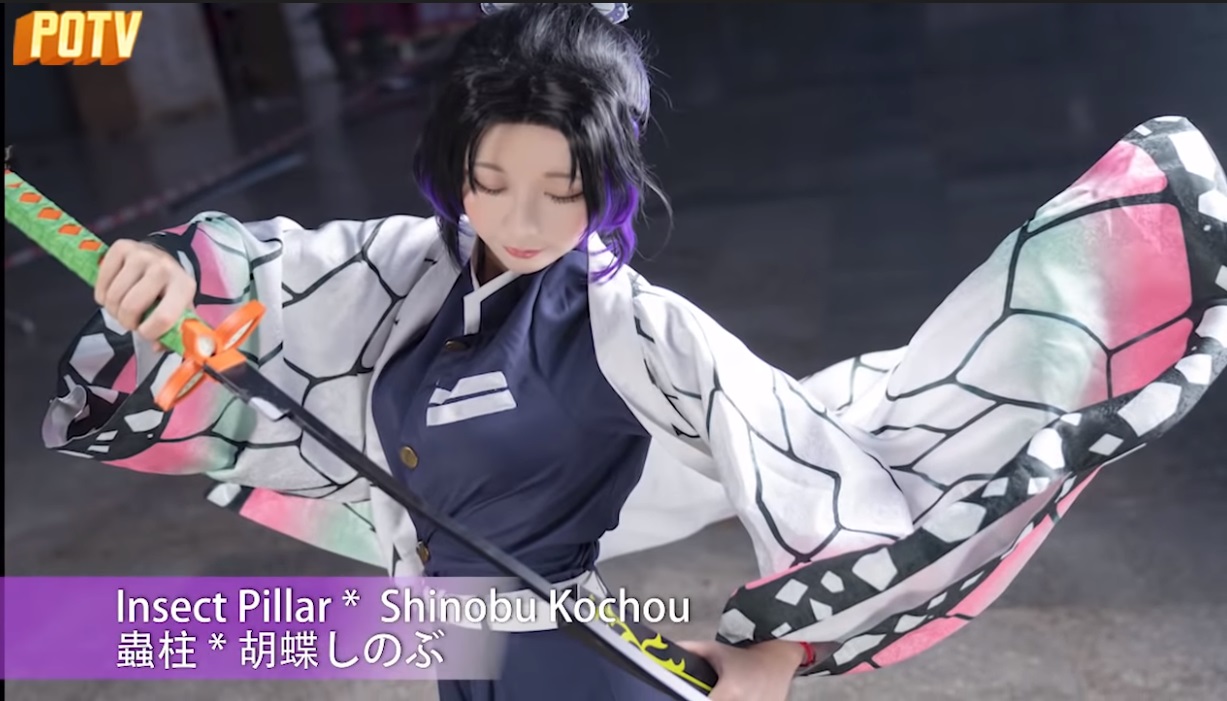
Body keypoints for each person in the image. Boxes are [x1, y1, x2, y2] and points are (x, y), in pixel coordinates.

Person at [41, 4, 1226, 701]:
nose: (515, 217)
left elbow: (798, 454)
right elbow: (268, 271)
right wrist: (166, 268)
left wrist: (780, 652)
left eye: (560, 189)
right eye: (488, 179)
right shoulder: (409, 267)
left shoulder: (631, 324)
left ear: (606, 181)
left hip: (566, 648)